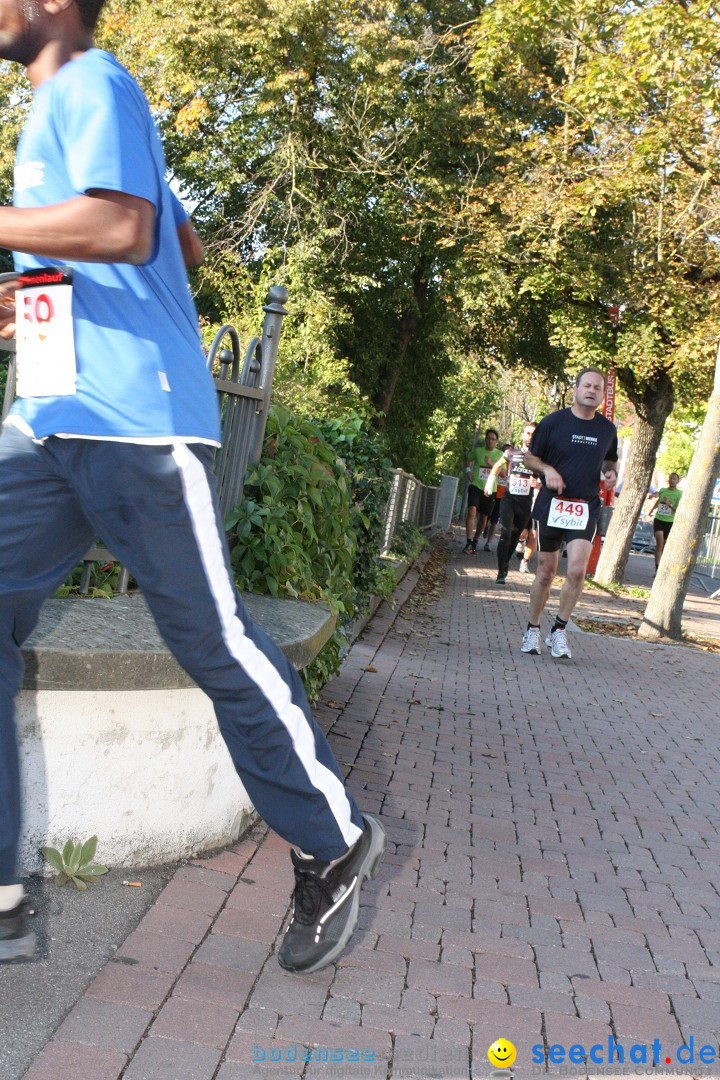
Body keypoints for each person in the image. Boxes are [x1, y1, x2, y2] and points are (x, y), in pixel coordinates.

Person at [0, 0, 385, 972]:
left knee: (211, 642)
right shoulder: (56, 116)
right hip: (50, 423)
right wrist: (38, 298)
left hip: (135, 428)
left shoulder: (92, 81)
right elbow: (182, 242)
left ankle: (333, 840)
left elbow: (127, 226)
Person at [520, 368, 618, 659]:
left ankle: (559, 630)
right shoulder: (553, 423)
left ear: (602, 395)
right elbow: (529, 458)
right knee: (546, 572)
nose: (591, 390)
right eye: (586, 385)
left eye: (597, 388)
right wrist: (548, 469)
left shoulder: (607, 429)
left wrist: (610, 474)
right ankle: (533, 628)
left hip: (585, 506)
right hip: (552, 504)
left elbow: (610, 460)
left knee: (576, 571)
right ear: (575, 390)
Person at [485, 424, 537, 584]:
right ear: (522, 435)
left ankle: (505, 562)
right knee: (506, 533)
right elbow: (497, 466)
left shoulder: (540, 457)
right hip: (509, 499)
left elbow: (546, 476)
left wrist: (539, 483)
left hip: (526, 502)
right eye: (528, 433)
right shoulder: (510, 452)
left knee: (516, 535)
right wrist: (490, 482)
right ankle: (501, 572)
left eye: (533, 434)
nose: (530, 437)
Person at [463, 428, 503, 554]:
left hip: (490, 489)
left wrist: (492, 464)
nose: (490, 441)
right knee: (472, 511)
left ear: (496, 441)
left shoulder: (500, 455)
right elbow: (468, 459)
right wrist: (468, 471)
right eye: (488, 438)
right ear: (485, 439)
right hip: (476, 486)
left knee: (484, 517)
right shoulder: (478, 451)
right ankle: (468, 541)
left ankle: (475, 540)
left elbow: (503, 474)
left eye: (493, 439)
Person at [648, 472, 682, 572]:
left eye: (674, 479)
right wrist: (651, 509)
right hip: (659, 519)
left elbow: (678, 509)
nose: (672, 480)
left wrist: (669, 504)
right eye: (670, 478)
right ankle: (657, 567)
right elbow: (658, 498)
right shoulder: (663, 490)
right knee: (660, 542)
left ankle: (663, 566)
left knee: (665, 545)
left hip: (669, 521)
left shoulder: (679, 494)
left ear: (677, 481)